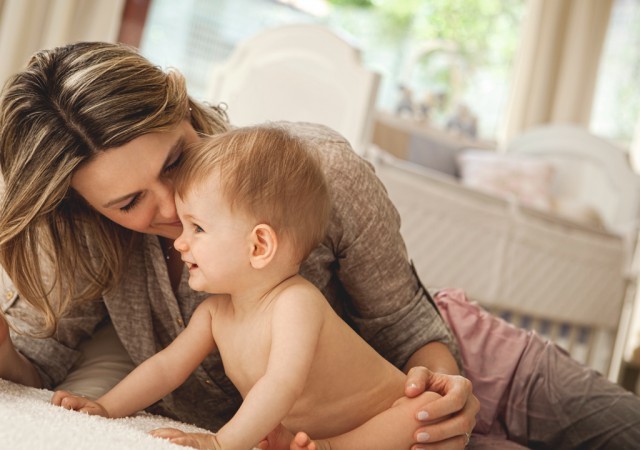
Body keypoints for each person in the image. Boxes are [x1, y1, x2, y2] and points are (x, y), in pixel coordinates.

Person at [1, 41, 639, 450]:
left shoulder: (318, 167)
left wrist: (444, 397)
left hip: (462, 368)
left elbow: (404, 319)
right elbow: (40, 362)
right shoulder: (87, 243)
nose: (171, 207)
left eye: (176, 159)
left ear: (187, 110)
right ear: (87, 210)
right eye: (129, 203)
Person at [53, 125, 444, 450]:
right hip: (306, 429)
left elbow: (281, 385)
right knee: (275, 435)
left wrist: (222, 444)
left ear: (259, 246)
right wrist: (105, 408)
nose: (179, 241)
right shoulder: (215, 312)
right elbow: (164, 369)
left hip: (382, 413)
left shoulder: (296, 303)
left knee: (415, 411)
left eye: (198, 228)